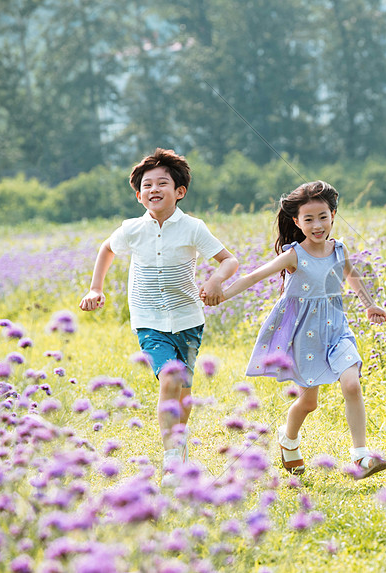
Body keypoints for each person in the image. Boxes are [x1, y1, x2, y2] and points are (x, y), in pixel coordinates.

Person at [79, 148, 239, 488]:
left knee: (183, 392)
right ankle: (170, 461)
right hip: (149, 321)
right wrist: (96, 288)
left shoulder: (194, 228)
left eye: (162, 183)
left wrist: (214, 280)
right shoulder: (132, 229)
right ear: (139, 196)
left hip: (189, 320)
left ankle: (179, 449)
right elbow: (106, 249)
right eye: (147, 184)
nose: (154, 189)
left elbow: (230, 261)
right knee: (170, 378)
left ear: (179, 191)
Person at [211, 180, 386, 480]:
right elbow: (255, 276)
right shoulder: (294, 255)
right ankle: (288, 439)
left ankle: (360, 457)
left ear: (334, 215)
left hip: (337, 331)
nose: (317, 225)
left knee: (352, 384)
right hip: (305, 336)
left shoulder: (339, 249)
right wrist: (222, 294)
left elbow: (353, 277)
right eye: (309, 219)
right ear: (297, 221)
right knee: (309, 402)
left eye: (323, 217)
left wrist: (370, 304)